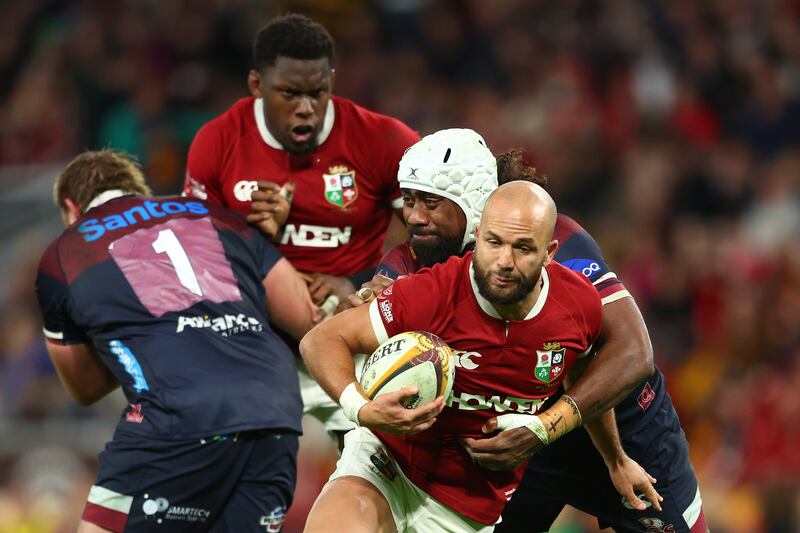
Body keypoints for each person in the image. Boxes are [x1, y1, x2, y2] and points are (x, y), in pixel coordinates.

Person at [356, 129, 708, 533]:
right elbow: (358, 325)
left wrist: (547, 428)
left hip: (625, 438)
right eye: (411, 201)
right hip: (512, 452)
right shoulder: (412, 264)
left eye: (432, 202)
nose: (415, 217)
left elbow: (633, 352)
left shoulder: (553, 240)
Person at [299, 178, 660, 532]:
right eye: (493, 242)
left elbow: (579, 372)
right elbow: (322, 340)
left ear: (549, 254)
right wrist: (361, 408)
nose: (504, 260)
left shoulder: (577, 306)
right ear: (478, 238)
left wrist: (616, 460)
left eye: (522, 248)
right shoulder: (434, 292)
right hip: (386, 464)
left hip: (465, 509)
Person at [35, 150, 319, 532]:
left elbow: (85, 388)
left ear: (71, 209)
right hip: (274, 411)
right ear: (141, 192)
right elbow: (304, 315)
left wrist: (131, 336)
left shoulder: (63, 254)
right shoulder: (216, 215)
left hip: (176, 418)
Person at [184, 13, 420, 438]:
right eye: (289, 94)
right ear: (257, 85)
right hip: (256, 346)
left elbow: (436, 238)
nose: (306, 109)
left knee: (389, 475)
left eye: (318, 93)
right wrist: (254, 240)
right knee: (234, 480)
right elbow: (195, 269)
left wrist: (365, 281)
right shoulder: (217, 142)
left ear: (332, 80)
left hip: (353, 345)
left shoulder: (384, 141)